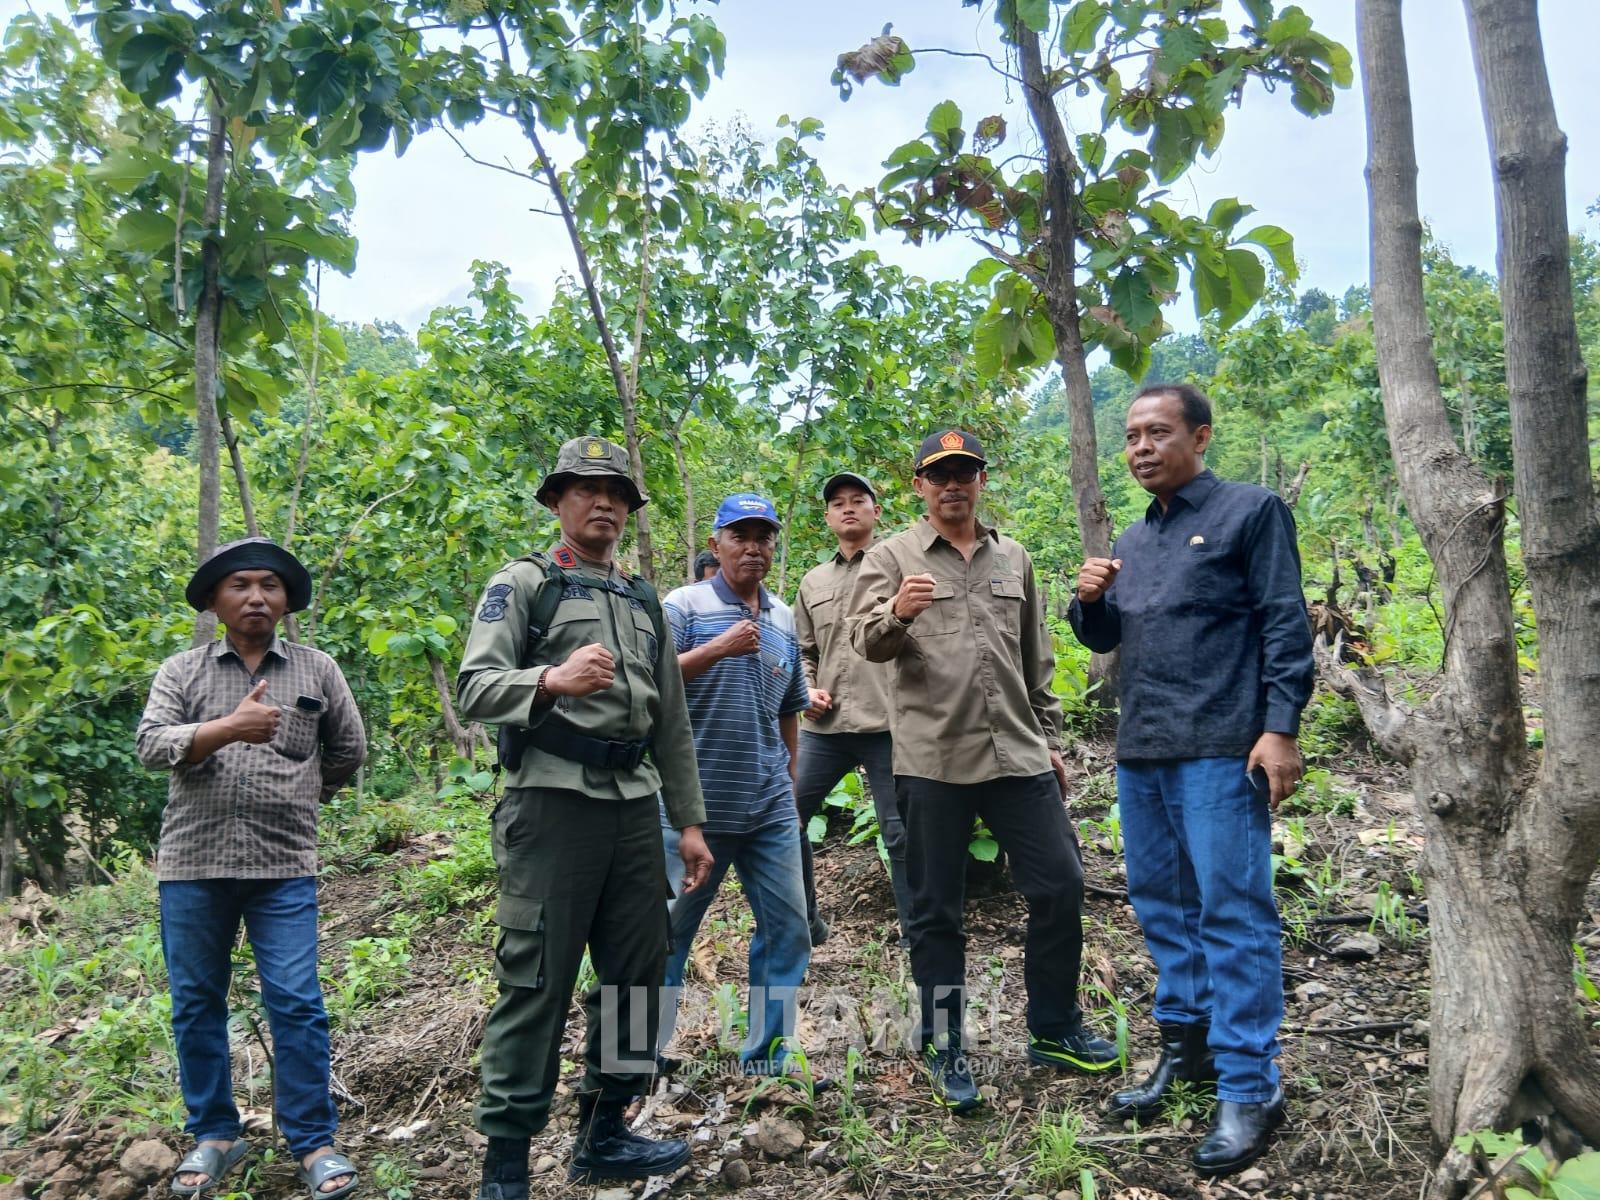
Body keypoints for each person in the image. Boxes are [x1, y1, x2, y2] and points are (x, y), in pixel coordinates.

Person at [456, 436, 713, 1199]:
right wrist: (551, 680)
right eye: (585, 489)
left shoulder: (641, 598)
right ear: (557, 501)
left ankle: (606, 1132)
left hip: (634, 810)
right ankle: (505, 1167)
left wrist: (689, 821)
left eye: (617, 494)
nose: (603, 502)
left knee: (636, 973)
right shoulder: (524, 584)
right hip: (551, 802)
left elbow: (669, 721)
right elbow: (475, 687)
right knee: (537, 977)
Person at [1069, 383, 1314, 1177]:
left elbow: (1283, 620)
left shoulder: (1251, 512)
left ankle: (1250, 1085)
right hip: (1142, 750)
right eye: (1133, 435)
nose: (1142, 447)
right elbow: (1109, 638)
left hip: (1221, 747)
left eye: (1159, 432)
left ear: (1200, 437)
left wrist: (1280, 728)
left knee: (1233, 915)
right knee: (1164, 909)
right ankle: (1190, 1050)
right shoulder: (1134, 540)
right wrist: (1088, 603)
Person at [849, 431, 1117, 1115]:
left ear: (981, 480)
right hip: (933, 762)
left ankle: (1053, 1027)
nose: (952, 486)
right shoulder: (890, 557)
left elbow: (1036, 658)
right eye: (939, 476)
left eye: (964, 473)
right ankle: (944, 1045)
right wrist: (897, 613)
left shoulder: (1014, 557)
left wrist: (1052, 739)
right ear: (919, 486)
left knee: (1060, 885)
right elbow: (864, 644)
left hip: (1018, 756)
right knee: (936, 910)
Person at [135, 537, 366, 1199]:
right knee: (196, 1004)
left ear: (287, 599)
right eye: (240, 586)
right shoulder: (182, 672)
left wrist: (303, 792)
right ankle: (215, 1134)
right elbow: (152, 745)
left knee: (297, 1003)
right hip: (193, 863)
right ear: (215, 600)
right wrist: (224, 730)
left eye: (270, 585)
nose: (257, 597)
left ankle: (314, 1141)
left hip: (283, 863)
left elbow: (348, 750)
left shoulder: (318, 670)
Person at [657, 493, 816, 1081]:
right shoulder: (685, 606)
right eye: (740, 536)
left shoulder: (781, 616)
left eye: (764, 537)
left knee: (789, 930)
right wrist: (716, 649)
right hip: (692, 810)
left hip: (769, 805)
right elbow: (648, 685)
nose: (753, 547)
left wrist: (791, 784)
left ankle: (768, 1058)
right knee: (663, 935)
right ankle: (635, 1059)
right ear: (717, 544)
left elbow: (791, 708)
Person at [792, 471, 913, 947]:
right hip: (825, 727)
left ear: (875, 511)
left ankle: (916, 932)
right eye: (838, 503)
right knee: (786, 817)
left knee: (900, 833)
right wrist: (806, 690)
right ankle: (804, 922)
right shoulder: (812, 581)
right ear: (826, 517)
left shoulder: (899, 566)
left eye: (858, 500)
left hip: (889, 723)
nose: (848, 508)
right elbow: (802, 650)